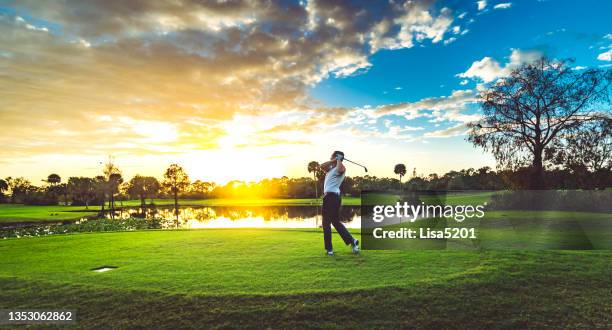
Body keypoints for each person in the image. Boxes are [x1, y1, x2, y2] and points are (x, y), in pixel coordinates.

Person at [320, 151, 359, 256]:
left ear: (336, 157)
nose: (330, 157)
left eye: (332, 156)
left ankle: (329, 249)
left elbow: (341, 169)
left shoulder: (340, 168)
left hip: (331, 197)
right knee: (335, 222)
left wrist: (338, 159)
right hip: (333, 197)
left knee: (326, 223)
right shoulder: (330, 169)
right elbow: (321, 166)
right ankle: (352, 241)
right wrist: (334, 159)